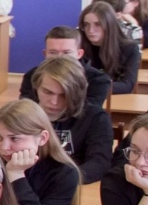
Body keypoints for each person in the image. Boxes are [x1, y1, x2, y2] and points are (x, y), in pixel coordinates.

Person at [0, 99, 80, 205]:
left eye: (14, 138)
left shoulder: (64, 173)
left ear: (42, 138)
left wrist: (16, 176)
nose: (4, 147)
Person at [26, 55, 113, 184]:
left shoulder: (95, 117)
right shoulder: (21, 114)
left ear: (76, 93)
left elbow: (99, 163)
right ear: (36, 87)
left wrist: (63, 182)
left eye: (63, 95)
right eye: (47, 92)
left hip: (72, 186)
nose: (54, 102)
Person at [21, 25, 115, 110]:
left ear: (79, 54)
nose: (59, 58)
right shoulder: (32, 76)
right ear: (45, 54)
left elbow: (88, 114)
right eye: (53, 52)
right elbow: (26, 111)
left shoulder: (98, 80)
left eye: (66, 53)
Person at [79, 0, 141, 94]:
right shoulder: (78, 46)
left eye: (98, 24)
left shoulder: (129, 48)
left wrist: (92, 87)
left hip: (115, 99)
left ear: (109, 24)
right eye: (86, 25)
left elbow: (127, 85)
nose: (91, 30)